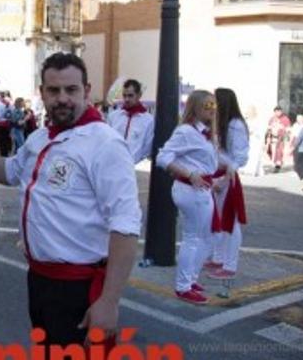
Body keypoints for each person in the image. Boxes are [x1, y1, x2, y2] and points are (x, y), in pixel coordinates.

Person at [0, 52, 141, 348]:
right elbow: (8, 172)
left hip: (77, 288)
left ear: (87, 90)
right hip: (39, 280)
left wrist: (109, 302)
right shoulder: (39, 139)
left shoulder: (105, 144)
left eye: (71, 90)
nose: (62, 99)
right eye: (54, 90)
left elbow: (125, 226)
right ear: (42, 93)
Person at [157, 89, 230, 305]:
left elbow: (208, 162)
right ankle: (183, 286)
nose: (212, 109)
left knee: (208, 237)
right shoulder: (186, 132)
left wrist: (222, 171)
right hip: (191, 190)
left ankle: (190, 279)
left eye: (214, 105)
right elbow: (162, 157)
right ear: (195, 107)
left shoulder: (205, 133)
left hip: (202, 189)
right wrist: (190, 174)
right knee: (194, 238)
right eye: (207, 105)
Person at [207, 88, 250, 280]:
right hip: (216, 173)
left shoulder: (235, 125)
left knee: (230, 221)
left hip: (226, 175)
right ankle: (218, 257)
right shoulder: (221, 123)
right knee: (216, 219)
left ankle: (230, 264)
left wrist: (226, 178)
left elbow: (240, 156)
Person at [106, 79, 154, 164]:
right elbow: (107, 142)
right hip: (113, 165)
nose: (127, 99)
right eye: (124, 96)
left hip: (134, 167)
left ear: (139, 95)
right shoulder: (113, 117)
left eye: (130, 95)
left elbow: (147, 150)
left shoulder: (149, 121)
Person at [265, 106, 291, 171]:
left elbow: (288, 130)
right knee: (272, 150)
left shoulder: (285, 119)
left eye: (279, 111)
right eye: (276, 111)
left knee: (279, 150)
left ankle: (278, 163)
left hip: (281, 137)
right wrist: (268, 136)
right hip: (273, 137)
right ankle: (274, 162)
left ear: (281, 111)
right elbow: (269, 129)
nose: (277, 113)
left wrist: (283, 129)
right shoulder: (272, 119)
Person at [0, 91, 13, 157]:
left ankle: (3, 154)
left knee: (2, 140)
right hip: (7, 123)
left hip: (0, 124)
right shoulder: (7, 103)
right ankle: (7, 152)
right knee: (6, 139)